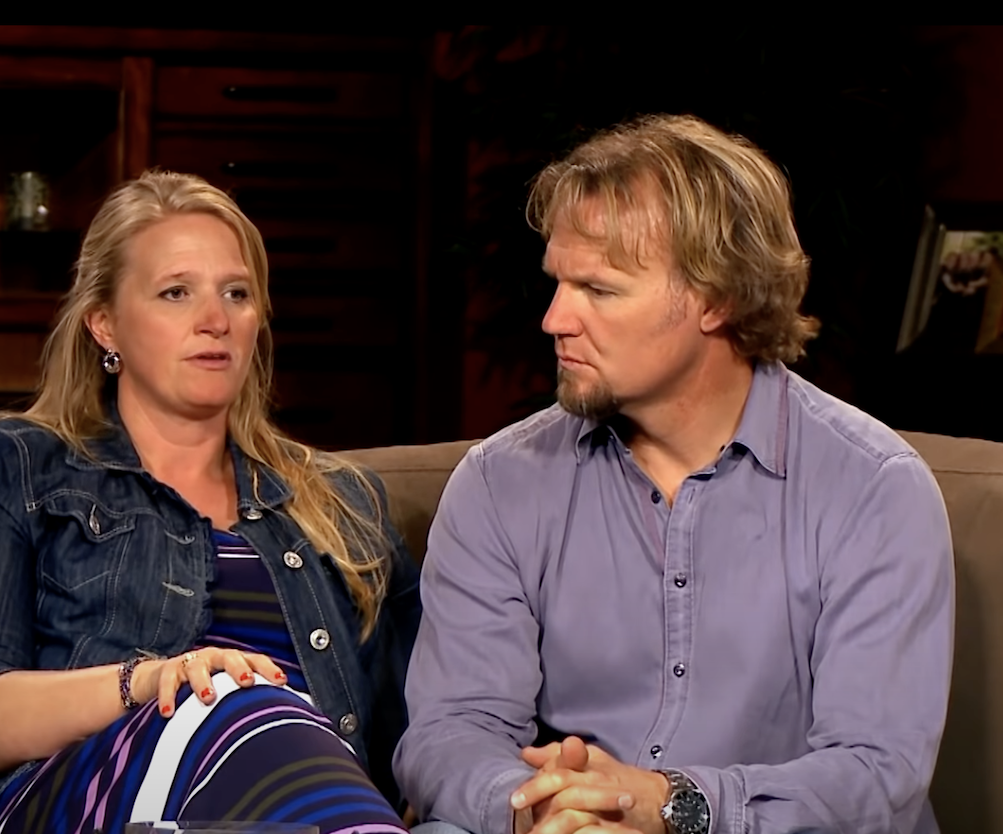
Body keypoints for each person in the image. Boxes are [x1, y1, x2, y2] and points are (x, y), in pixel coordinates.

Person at [393, 115, 954, 834]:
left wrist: (670, 805)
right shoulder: (501, 483)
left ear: (715, 299)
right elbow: (451, 731)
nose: (554, 318)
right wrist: (540, 813)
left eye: (598, 289)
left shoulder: (874, 489)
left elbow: (874, 774)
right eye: (557, 283)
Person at [0, 171, 420, 834]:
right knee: (231, 699)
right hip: (55, 805)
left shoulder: (344, 504)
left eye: (237, 293)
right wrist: (150, 683)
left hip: (285, 812)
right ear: (105, 324)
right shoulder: (16, 465)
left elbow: (428, 725)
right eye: (176, 293)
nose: (216, 321)